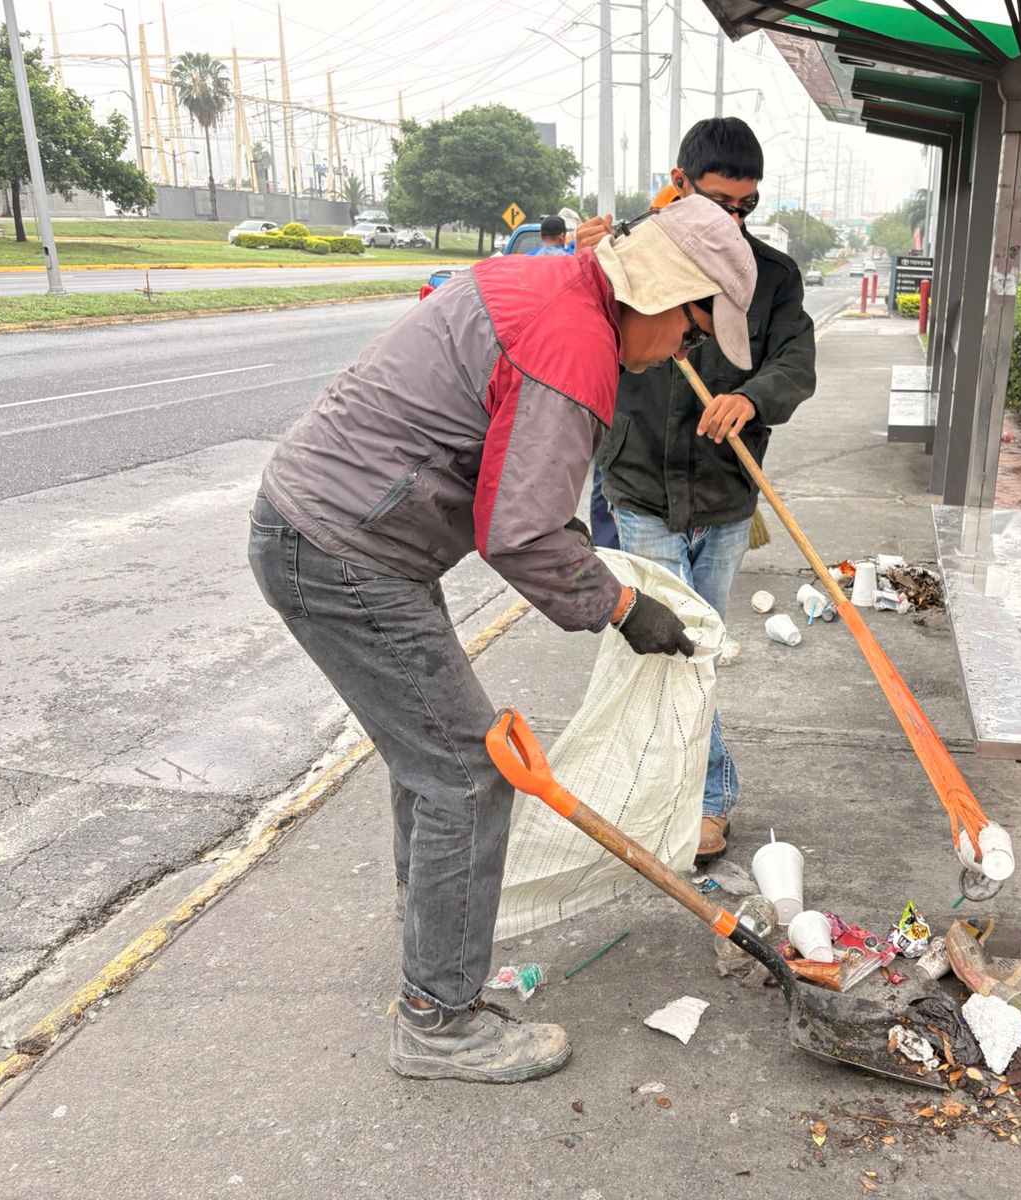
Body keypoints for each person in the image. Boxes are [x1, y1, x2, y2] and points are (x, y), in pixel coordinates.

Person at [248, 194, 756, 1085]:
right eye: (691, 329)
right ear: (661, 293)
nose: (686, 352)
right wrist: (622, 608)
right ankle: (438, 1020)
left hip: (338, 535)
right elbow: (521, 530)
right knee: (465, 773)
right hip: (342, 550)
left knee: (433, 761)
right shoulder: (573, 344)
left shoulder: (545, 283)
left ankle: (433, 944)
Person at [576, 116, 817, 864]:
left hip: (722, 494)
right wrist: (580, 267)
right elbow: (577, 335)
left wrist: (754, 398)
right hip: (641, 485)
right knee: (674, 647)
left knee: (697, 650)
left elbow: (795, 362)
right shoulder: (623, 256)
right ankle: (707, 798)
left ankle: (681, 792)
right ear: (679, 184)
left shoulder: (770, 275)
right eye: (718, 201)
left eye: (745, 207)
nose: (732, 220)